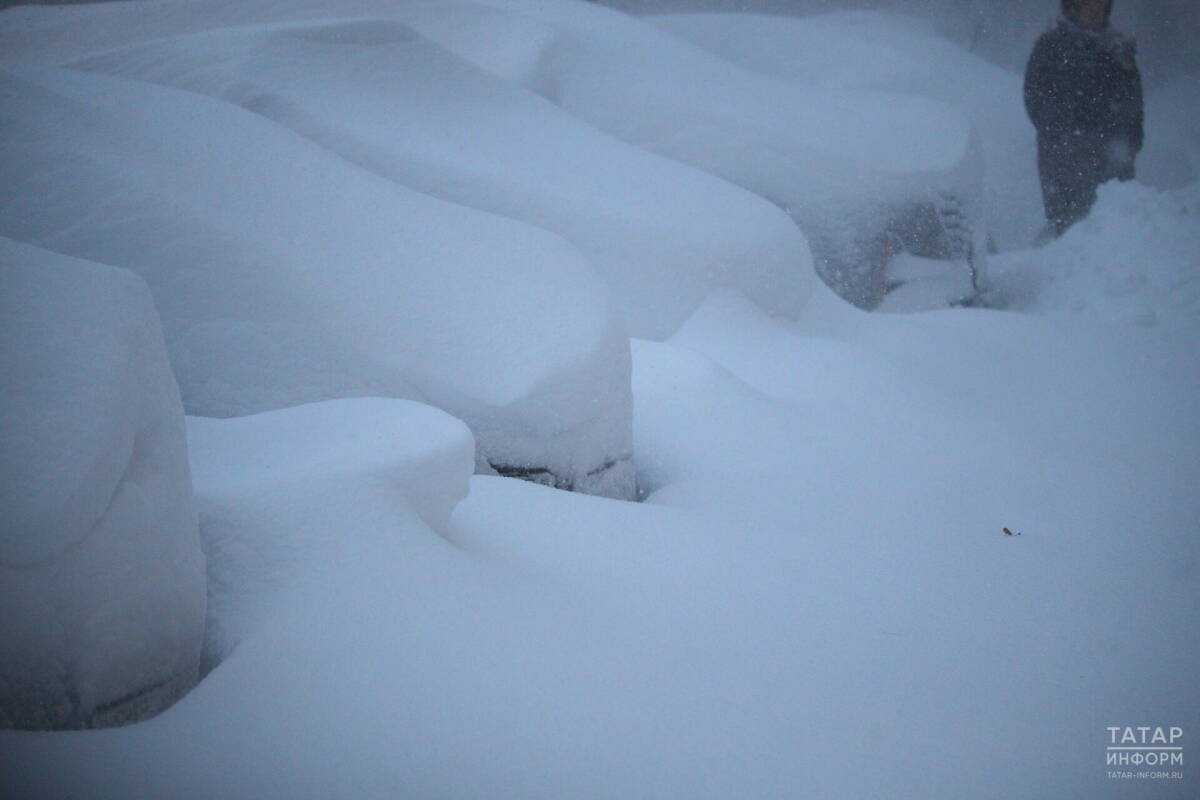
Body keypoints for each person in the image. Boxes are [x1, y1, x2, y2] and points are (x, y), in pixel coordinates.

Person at [1024, 0, 1143, 237]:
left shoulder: (1119, 50)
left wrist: (1128, 142)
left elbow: (1134, 104)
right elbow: (1035, 97)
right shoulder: (1051, 47)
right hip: (1064, 161)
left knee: (1116, 230)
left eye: (1100, 3)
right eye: (1087, 3)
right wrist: (1061, 134)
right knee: (1069, 231)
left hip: (1112, 159)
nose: (1094, 9)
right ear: (1073, 6)